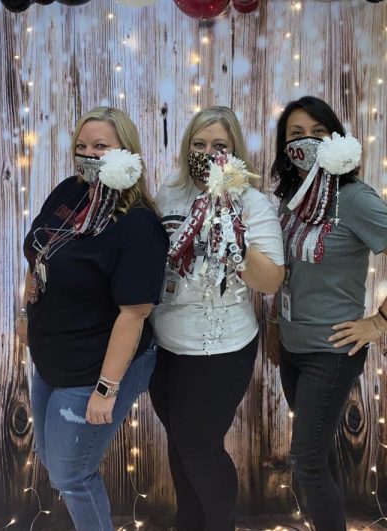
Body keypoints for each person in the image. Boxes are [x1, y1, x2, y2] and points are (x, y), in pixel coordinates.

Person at [268, 96, 387, 531]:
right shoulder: (290, 200)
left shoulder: (354, 198)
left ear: (336, 139)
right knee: (317, 458)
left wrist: (380, 321)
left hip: (331, 353)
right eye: (296, 135)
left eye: (318, 133)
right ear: (284, 148)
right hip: (292, 347)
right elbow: (284, 273)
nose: (306, 142)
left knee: (305, 464)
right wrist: (272, 327)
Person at [18, 107, 168, 531]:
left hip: (96, 367)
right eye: (82, 146)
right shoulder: (71, 191)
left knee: (72, 474)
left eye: (100, 147)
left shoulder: (138, 226)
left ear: (127, 154)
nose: (88, 155)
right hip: (52, 356)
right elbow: (39, 253)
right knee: (54, 461)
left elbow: (134, 312)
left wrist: (106, 389)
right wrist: (25, 310)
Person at [149, 106, 285, 531]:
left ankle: (220, 524)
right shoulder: (170, 191)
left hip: (219, 346)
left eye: (219, 146)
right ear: (187, 147)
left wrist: (233, 237)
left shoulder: (252, 201)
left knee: (200, 448)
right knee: (181, 444)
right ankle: (188, 522)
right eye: (199, 144)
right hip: (166, 342)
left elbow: (270, 281)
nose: (208, 153)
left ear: (235, 151)